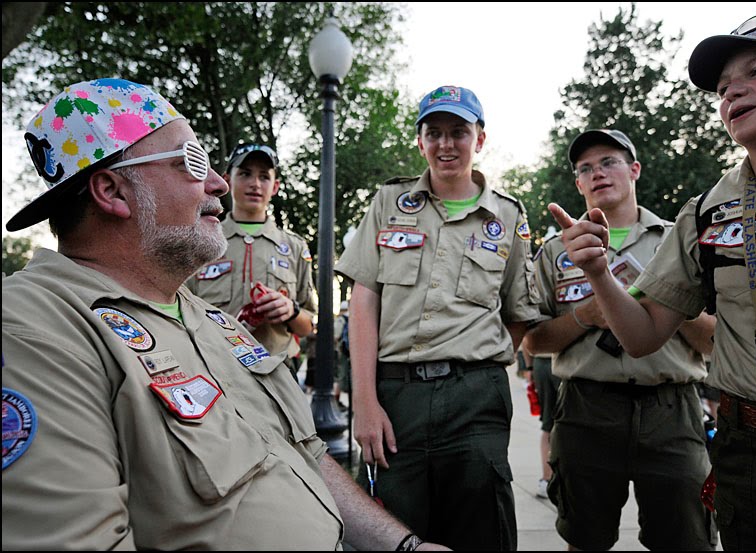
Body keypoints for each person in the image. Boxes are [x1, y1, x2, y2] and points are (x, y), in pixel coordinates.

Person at [1, 78, 449, 552]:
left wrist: (406, 547)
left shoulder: (210, 320)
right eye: (192, 162)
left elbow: (306, 455)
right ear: (113, 191)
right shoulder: (35, 328)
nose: (218, 183)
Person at [549, 12, 756, 551]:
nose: (735, 91)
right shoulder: (706, 213)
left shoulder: (671, 225)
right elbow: (641, 336)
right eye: (724, 86)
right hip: (751, 450)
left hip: (675, 413)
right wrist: (598, 274)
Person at [334, 85, 542, 551]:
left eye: (458, 132)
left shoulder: (507, 217)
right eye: (434, 132)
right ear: (420, 141)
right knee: (395, 529)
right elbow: (364, 300)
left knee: (482, 528)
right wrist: (364, 400)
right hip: (397, 397)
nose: (446, 144)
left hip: (475, 398)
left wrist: (479, 370)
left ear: (480, 140)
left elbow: (518, 314)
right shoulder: (389, 204)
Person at [523, 128, 718, 551]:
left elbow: (714, 342)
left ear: (634, 170)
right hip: (586, 408)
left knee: (687, 538)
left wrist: (663, 299)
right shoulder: (558, 250)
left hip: (672, 408)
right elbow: (533, 343)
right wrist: (586, 315)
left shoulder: (679, 240)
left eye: (609, 161)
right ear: (577, 184)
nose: (597, 173)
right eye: (585, 168)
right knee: (585, 537)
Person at [185, 142, 315, 380]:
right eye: (245, 174)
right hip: (213, 369)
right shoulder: (200, 238)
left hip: (278, 372)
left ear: (275, 186)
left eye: (264, 177)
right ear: (227, 180)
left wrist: (291, 310)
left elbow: (308, 326)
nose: (255, 184)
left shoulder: (294, 247)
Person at [530, 353, 559, 500]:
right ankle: (563, 479)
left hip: (540, 362)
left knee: (547, 424)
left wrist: (529, 367)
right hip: (564, 360)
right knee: (569, 424)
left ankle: (546, 479)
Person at [334, 300, 352, 410]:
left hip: (343, 352)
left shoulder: (341, 319)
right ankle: (354, 407)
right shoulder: (354, 317)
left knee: (341, 377)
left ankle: (336, 402)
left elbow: (336, 335)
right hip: (353, 352)